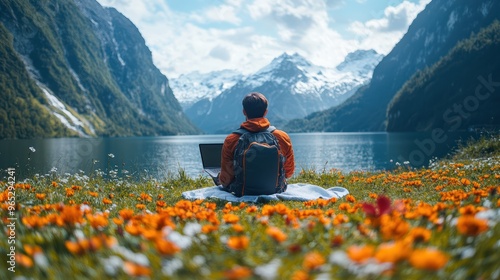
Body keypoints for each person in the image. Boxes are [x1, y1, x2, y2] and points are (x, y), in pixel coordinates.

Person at [218, 92, 295, 194]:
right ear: (265, 112)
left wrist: (219, 178)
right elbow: (288, 172)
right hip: (275, 190)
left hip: (242, 192)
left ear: (244, 112)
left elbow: (225, 180)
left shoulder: (231, 139)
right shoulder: (282, 137)